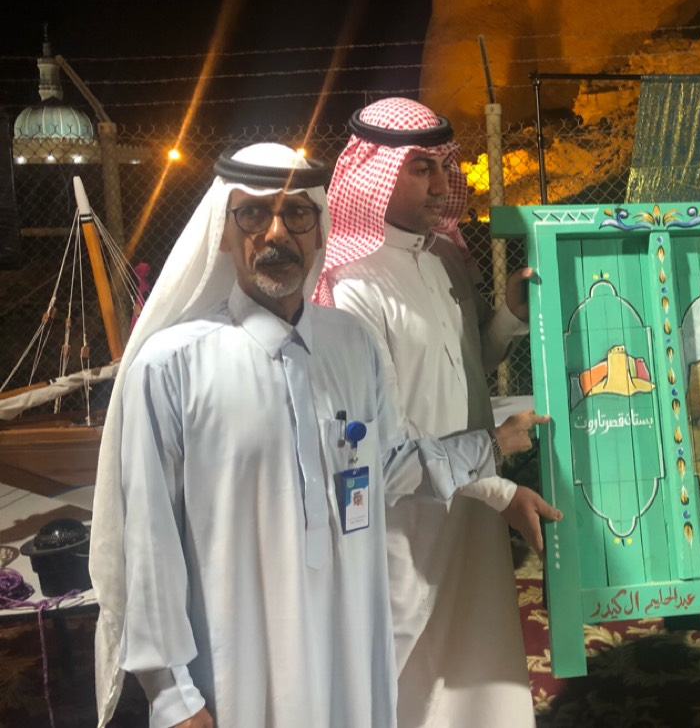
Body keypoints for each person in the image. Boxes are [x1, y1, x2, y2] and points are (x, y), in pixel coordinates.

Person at [88, 143, 550, 728]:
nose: (276, 232)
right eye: (253, 213)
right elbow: (149, 540)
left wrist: (489, 445)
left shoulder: (350, 344)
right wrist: (173, 696)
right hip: (235, 667)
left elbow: (389, 467)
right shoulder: (172, 365)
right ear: (223, 232)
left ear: (319, 228)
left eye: (297, 214)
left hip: (348, 653)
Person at [314, 97, 548, 727]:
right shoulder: (351, 286)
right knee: (405, 672)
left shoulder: (445, 257)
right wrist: (497, 477)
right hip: (405, 521)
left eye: (445, 166)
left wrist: (510, 315)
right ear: (377, 174)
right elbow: (385, 433)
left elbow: (468, 364)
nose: (441, 185)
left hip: (473, 505)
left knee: (478, 661)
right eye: (421, 168)